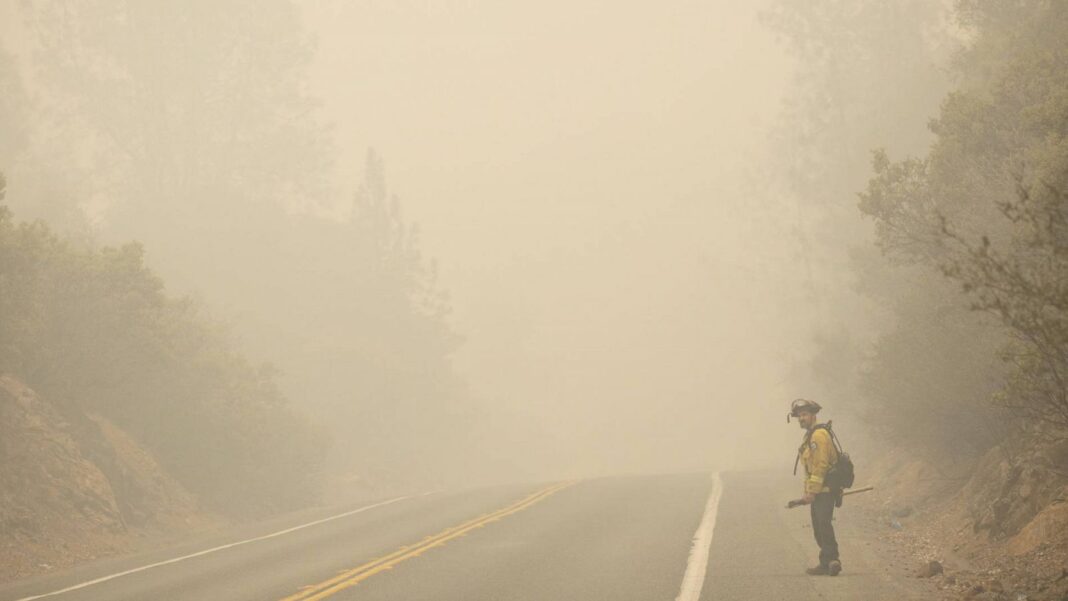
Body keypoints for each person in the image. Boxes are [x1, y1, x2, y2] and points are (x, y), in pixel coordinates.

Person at [790, 398, 842, 576]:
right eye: (799, 416)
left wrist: (812, 492)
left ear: (813, 415)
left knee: (823, 525)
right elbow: (810, 468)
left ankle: (831, 560)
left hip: (824, 491)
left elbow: (820, 466)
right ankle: (828, 560)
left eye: (804, 414)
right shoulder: (811, 435)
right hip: (820, 490)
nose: (801, 418)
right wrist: (808, 491)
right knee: (820, 526)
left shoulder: (818, 436)